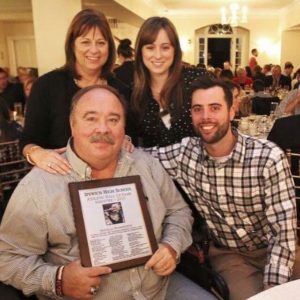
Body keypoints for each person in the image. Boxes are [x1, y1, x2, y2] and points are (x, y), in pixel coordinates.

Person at [0, 85, 216, 300]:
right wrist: (58, 280)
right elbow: (6, 259)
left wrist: (171, 246)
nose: (103, 129)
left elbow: (179, 211)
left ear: (124, 128)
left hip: (158, 288)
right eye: (91, 119)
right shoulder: (39, 186)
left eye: (113, 120)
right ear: (72, 124)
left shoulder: (145, 165)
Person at [140, 77, 298, 300]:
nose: (206, 117)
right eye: (198, 109)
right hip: (231, 256)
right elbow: (139, 158)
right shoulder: (185, 154)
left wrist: (274, 290)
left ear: (232, 111)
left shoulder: (268, 157)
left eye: (215, 108)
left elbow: (283, 233)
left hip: (279, 248)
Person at [20, 9, 130, 175]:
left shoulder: (121, 89)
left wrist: (127, 139)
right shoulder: (46, 85)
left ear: (109, 47)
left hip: (109, 182)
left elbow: (131, 136)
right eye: (85, 42)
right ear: (72, 45)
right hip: (59, 179)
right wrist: (37, 154)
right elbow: (28, 141)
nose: (94, 50)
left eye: (101, 43)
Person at [131, 16, 209, 147]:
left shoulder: (196, 80)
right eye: (150, 48)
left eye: (165, 47)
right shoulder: (134, 91)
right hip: (153, 166)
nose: (158, 55)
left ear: (175, 50)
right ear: (140, 52)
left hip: (197, 165)